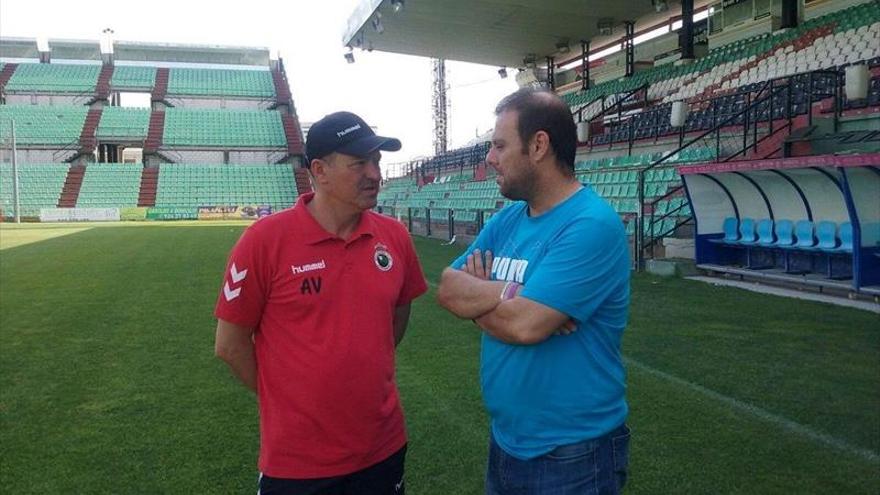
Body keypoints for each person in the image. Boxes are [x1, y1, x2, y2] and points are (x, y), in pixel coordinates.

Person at [214, 111, 428, 495]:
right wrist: (288, 398)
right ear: (320, 170)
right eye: (359, 163)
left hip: (383, 448)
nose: (375, 174)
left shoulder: (394, 237)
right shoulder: (264, 241)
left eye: (377, 161)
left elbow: (397, 315)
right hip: (297, 462)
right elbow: (230, 344)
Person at [436, 88, 631, 495]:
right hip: (507, 440)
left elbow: (525, 326)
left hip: (572, 454)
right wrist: (512, 293)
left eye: (499, 145)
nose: (490, 158)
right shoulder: (509, 219)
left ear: (538, 145)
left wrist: (487, 297)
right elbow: (449, 288)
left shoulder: (590, 224)